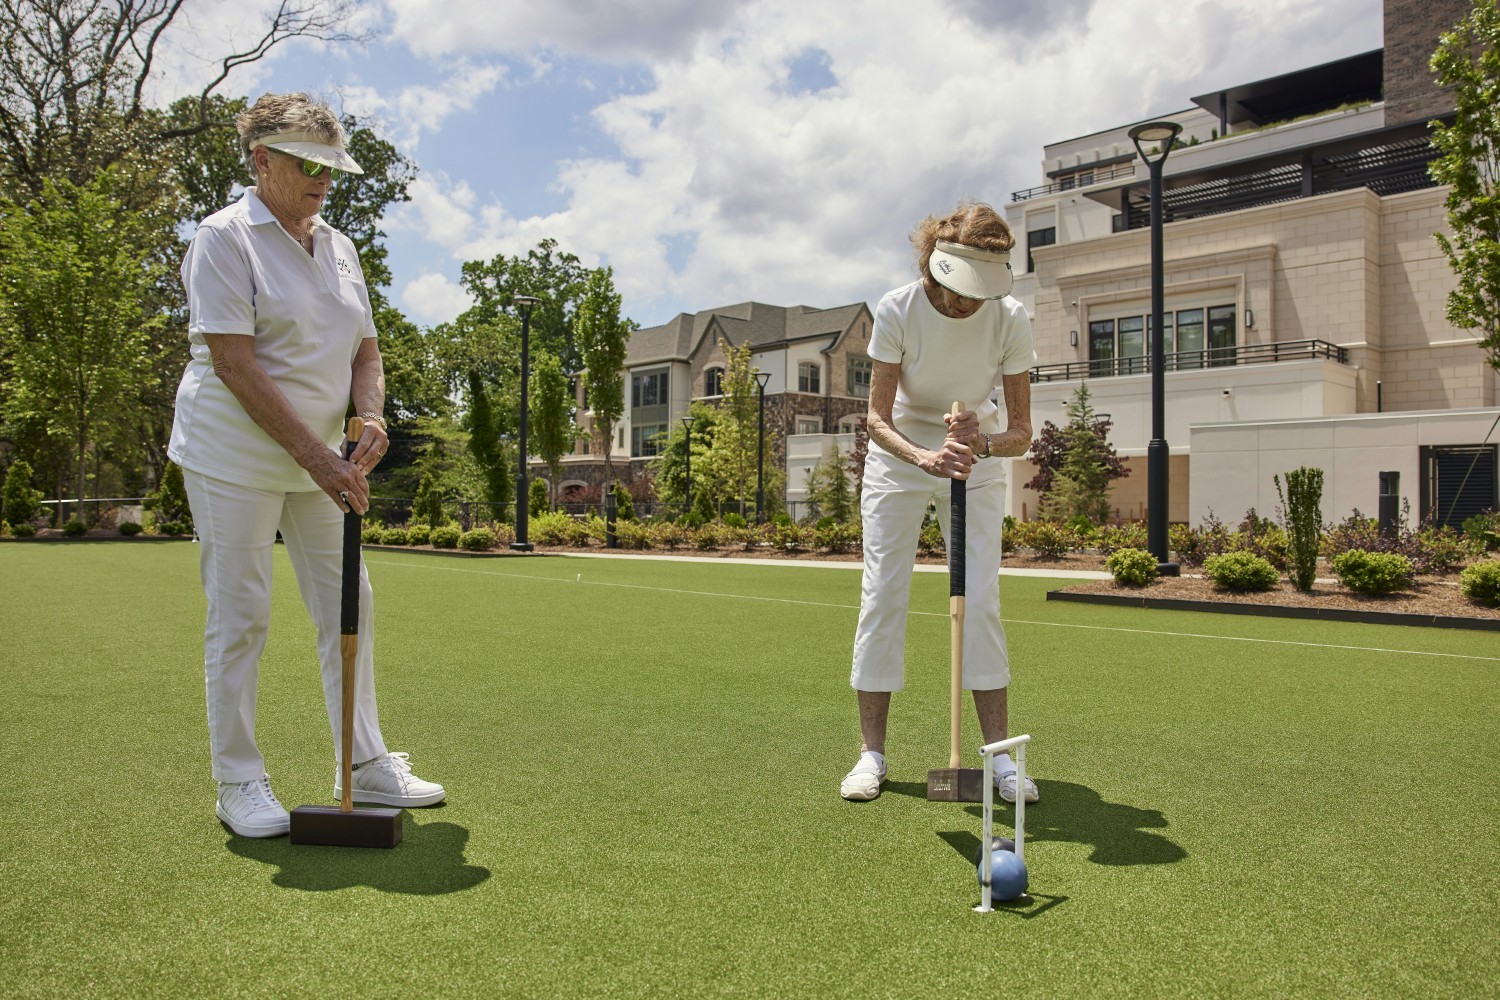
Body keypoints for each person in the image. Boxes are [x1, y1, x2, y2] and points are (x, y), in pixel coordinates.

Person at [169, 93, 445, 838]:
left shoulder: (341, 245)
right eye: (306, 164)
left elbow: (365, 349)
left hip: (327, 461)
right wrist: (319, 456)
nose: (324, 179)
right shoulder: (224, 239)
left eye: (331, 166)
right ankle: (239, 778)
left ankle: (363, 763)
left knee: (350, 603)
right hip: (235, 458)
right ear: (261, 161)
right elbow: (233, 362)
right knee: (242, 615)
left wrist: (372, 415)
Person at [841, 200, 1037, 804]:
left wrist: (978, 441)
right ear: (934, 265)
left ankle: (1000, 761)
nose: (967, 303)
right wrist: (926, 457)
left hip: (973, 453)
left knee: (980, 600)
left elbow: (1022, 432)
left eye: (980, 290)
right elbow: (875, 418)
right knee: (883, 595)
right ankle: (871, 753)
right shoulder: (898, 308)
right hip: (902, 453)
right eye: (958, 289)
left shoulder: (1009, 317)